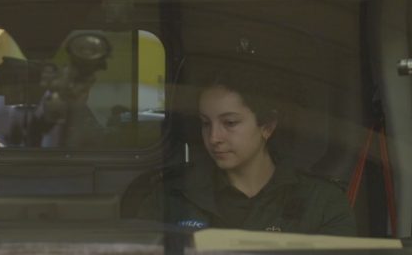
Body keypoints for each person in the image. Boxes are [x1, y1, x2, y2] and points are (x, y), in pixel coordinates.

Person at [141, 66, 356, 235]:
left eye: (230, 123)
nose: (214, 137)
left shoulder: (321, 203)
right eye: (206, 123)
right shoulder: (170, 196)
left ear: (267, 126)